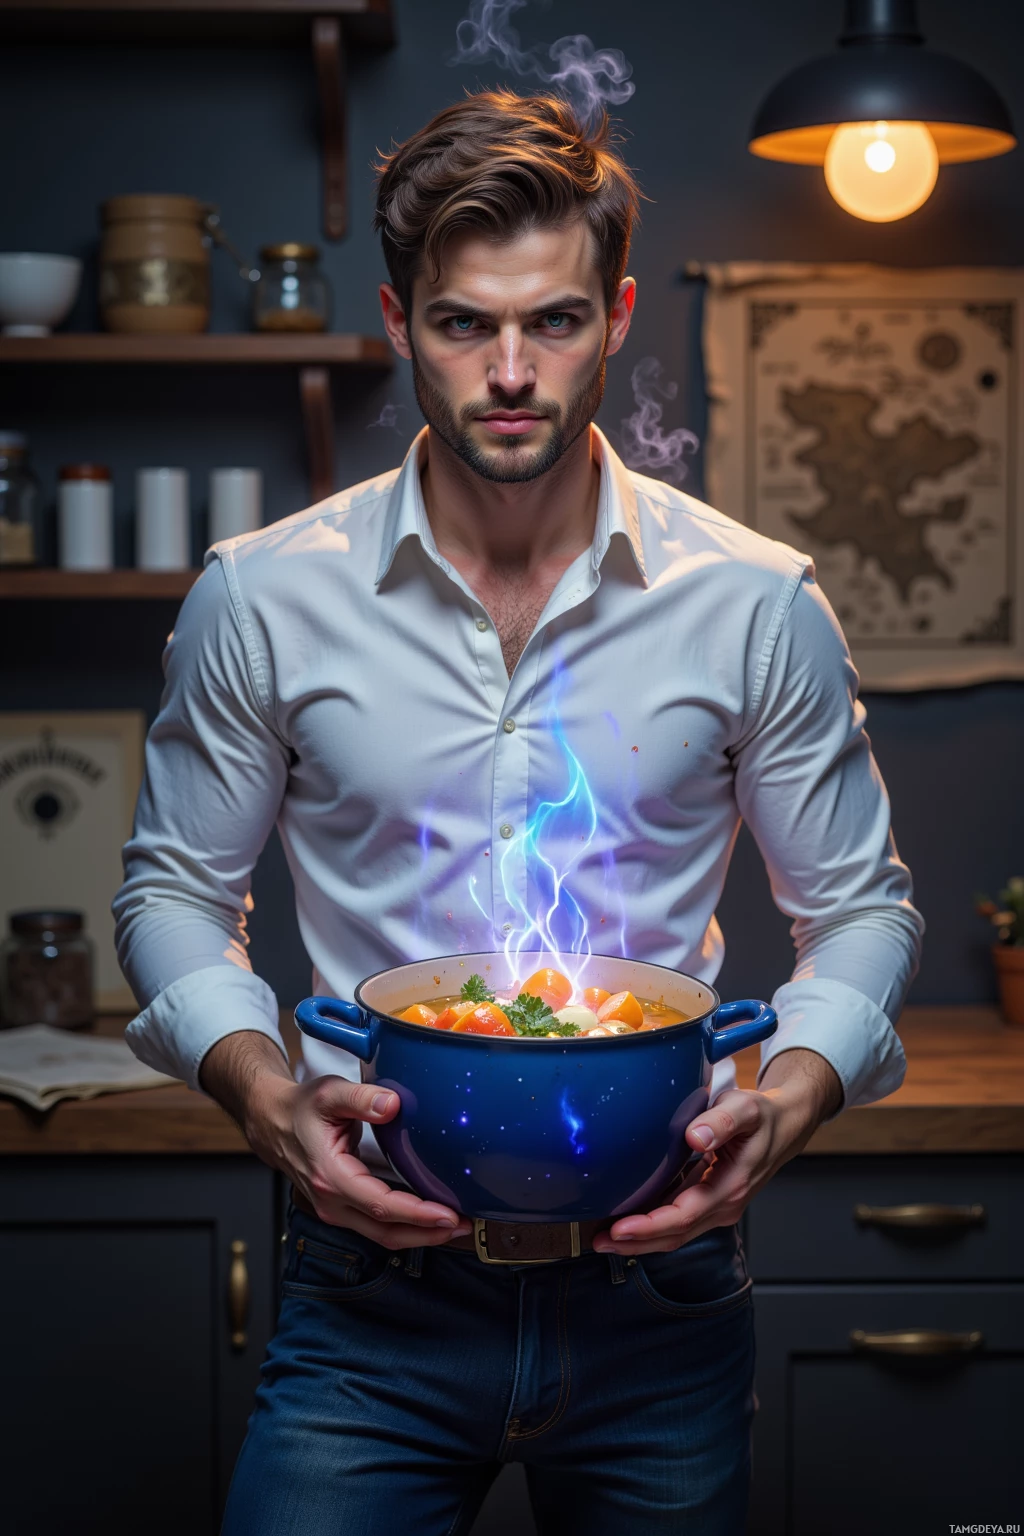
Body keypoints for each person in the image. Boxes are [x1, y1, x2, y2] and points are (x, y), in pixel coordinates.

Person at [115, 91, 923, 1535]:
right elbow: (174, 894)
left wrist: (786, 1099)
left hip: (660, 1290)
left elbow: (857, 911)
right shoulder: (261, 595)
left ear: (615, 317)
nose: (507, 372)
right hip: (370, 1288)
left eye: (551, 323)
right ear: (395, 319)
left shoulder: (754, 604)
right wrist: (261, 1092)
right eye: (459, 325)